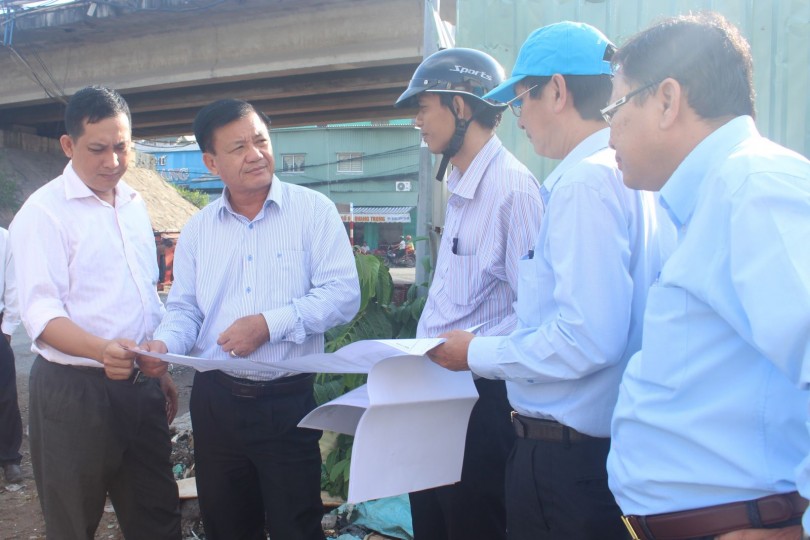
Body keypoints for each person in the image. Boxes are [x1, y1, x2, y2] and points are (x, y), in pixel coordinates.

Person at [427, 22, 668, 540]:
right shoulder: (626, 174)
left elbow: (586, 338)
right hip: (598, 453)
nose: (518, 119)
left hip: (566, 461)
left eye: (520, 101)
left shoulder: (584, 183)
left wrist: (475, 353)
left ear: (556, 91)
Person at [603, 12, 810, 540]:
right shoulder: (716, 195)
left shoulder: (752, 187)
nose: (609, 133)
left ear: (667, 100)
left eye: (615, 109)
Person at [140, 98, 360, 540]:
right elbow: (185, 309)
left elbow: (343, 295)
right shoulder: (199, 229)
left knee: (296, 526)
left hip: (287, 402)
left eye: (261, 140)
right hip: (216, 402)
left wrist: (269, 324)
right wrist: (164, 345)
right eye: (238, 147)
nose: (255, 154)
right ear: (211, 162)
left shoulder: (313, 211)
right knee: (227, 525)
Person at [8, 86, 181, 538]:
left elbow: (144, 294)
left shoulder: (134, 204)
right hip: (74, 394)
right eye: (98, 149)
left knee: (157, 516)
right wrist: (102, 350)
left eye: (122, 147)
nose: (113, 161)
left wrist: (157, 369)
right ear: (69, 145)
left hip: (140, 386)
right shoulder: (44, 213)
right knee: (73, 522)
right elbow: (41, 314)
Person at [393, 47, 544, 540]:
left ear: (460, 106)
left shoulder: (512, 190)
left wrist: (475, 350)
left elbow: (536, 313)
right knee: (432, 525)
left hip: (480, 401)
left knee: (473, 524)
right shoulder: (460, 182)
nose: (417, 121)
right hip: (437, 391)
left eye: (423, 107)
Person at [0, 227, 23, 485]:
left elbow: (13, 285)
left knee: (4, 394)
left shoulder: (4, 238)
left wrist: (7, 328)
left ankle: (9, 458)